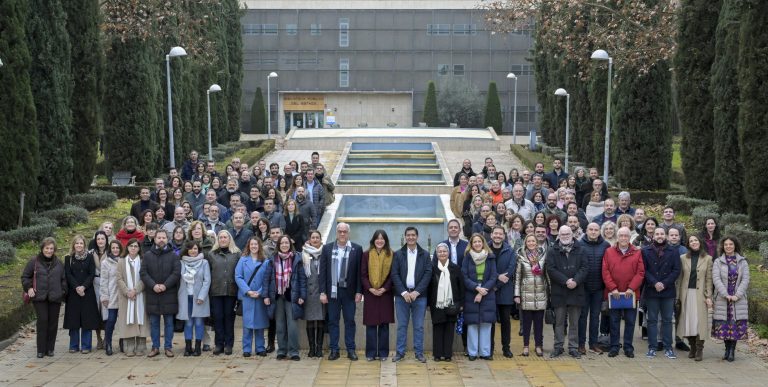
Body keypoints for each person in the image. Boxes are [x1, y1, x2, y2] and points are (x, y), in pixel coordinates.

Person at [319, 222, 363, 361]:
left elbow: (359, 273)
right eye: (340, 231)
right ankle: (334, 350)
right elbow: (323, 272)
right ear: (336, 233)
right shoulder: (327, 249)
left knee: (350, 321)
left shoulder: (357, 249)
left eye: (345, 231)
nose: (342, 234)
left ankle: (351, 350)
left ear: (348, 233)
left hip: (349, 292)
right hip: (332, 291)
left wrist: (359, 291)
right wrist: (322, 292)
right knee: (333, 321)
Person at [602, 227, 645, 358]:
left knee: (630, 321)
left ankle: (628, 347)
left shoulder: (637, 252)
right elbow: (605, 271)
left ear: (629, 237)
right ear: (617, 237)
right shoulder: (609, 252)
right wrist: (612, 288)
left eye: (626, 236)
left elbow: (640, 272)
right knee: (614, 321)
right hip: (614, 294)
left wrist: (631, 288)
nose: (624, 238)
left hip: (630, 294)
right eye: (621, 236)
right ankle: (614, 346)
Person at [391, 227, 432, 363]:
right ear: (405, 237)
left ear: (417, 237)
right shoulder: (398, 254)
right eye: (408, 235)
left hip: (419, 296)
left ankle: (419, 353)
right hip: (401, 296)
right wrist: (403, 292)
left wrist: (416, 292)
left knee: (419, 326)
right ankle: (400, 353)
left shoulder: (425, 255)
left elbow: (427, 274)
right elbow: (394, 274)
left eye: (413, 235)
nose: (411, 237)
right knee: (402, 325)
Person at [546, 226, 588, 358]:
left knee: (574, 323)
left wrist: (575, 281)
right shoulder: (553, 250)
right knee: (559, 322)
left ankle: (573, 347)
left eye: (567, 233)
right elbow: (551, 269)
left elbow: (585, 268)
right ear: (558, 235)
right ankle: (558, 347)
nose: (565, 236)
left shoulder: (580, 249)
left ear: (572, 234)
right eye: (562, 234)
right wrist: (566, 281)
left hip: (577, 290)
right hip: (559, 291)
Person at [22, 238, 67, 358]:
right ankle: (41, 350)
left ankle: (50, 349)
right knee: (43, 321)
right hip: (39, 297)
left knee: (53, 323)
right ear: (42, 248)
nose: (49, 251)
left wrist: (62, 291)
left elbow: (64, 279)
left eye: (51, 248)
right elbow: (25, 277)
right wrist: (29, 288)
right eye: (47, 248)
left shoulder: (58, 262)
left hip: (55, 297)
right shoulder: (34, 262)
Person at [140, 229, 181, 357]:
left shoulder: (174, 255)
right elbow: (143, 273)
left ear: (167, 239)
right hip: (153, 294)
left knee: (169, 323)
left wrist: (165, 285)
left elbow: (176, 273)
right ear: (155, 239)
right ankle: (155, 347)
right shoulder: (147, 255)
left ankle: (168, 347)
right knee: (154, 323)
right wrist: (153, 285)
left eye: (164, 237)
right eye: (159, 237)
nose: (161, 239)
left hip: (169, 293)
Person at [641, 228, 681, 359]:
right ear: (653, 236)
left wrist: (664, 283)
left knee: (667, 320)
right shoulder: (645, 251)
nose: (659, 236)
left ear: (666, 236)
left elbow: (676, 270)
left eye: (662, 234)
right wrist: (654, 283)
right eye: (657, 234)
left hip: (667, 290)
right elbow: (643, 270)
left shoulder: (673, 251)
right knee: (651, 319)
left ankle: (668, 347)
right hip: (652, 290)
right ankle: (652, 347)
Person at [269, 234, 307, 361]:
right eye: (282, 243)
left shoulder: (297, 258)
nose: (284, 245)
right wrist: (266, 295)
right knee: (279, 325)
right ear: (278, 245)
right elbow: (267, 278)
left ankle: (294, 351)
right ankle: (282, 350)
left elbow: (302, 279)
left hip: (292, 296)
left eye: (286, 243)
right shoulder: (272, 259)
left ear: (290, 245)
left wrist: (302, 295)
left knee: (292, 326)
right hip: (278, 296)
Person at [712, 236, 750, 362]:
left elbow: (745, 279)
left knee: (734, 325)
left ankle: (732, 351)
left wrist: (737, 295)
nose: (728, 246)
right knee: (724, 326)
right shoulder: (718, 261)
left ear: (735, 246)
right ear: (722, 246)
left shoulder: (743, 262)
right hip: (723, 299)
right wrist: (725, 294)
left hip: (737, 299)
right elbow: (716, 279)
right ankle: (726, 349)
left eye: (731, 244)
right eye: (726, 244)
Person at [676, 235, 713, 362]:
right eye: (691, 241)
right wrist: (678, 296)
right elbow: (680, 279)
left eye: (696, 240)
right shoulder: (683, 258)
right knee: (688, 322)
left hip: (700, 295)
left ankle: (699, 349)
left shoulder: (708, 259)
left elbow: (709, 279)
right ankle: (692, 347)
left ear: (700, 242)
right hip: (686, 294)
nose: (693, 242)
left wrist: (708, 296)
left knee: (699, 322)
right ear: (688, 244)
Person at [360, 230, 395, 361]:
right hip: (370, 294)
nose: (379, 241)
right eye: (377, 238)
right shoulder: (366, 255)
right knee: (371, 325)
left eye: (382, 239)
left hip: (385, 294)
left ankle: (383, 353)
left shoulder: (392, 255)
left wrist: (384, 288)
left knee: (384, 325)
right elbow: (363, 275)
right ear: (373, 240)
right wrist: (370, 288)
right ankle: (370, 353)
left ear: (385, 241)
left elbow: (393, 275)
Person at [236, 237, 274, 357]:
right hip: (247, 296)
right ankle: (246, 348)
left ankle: (260, 347)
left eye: (256, 244)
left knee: (260, 323)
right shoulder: (242, 260)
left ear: (259, 246)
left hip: (260, 296)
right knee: (247, 324)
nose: (253, 246)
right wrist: (247, 291)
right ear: (248, 246)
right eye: (251, 244)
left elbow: (267, 278)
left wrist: (260, 291)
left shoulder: (265, 261)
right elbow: (238, 276)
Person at [462, 233, 498, 361]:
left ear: (483, 243)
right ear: (471, 244)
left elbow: (494, 276)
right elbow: (464, 276)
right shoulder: (467, 258)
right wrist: (476, 288)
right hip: (471, 293)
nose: (477, 244)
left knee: (486, 324)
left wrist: (482, 291)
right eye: (474, 242)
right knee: (472, 325)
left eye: (479, 241)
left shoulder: (490, 257)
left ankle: (485, 352)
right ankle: (472, 352)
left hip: (487, 294)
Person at [63, 235, 101, 354]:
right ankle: (73, 345)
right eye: (77, 243)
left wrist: (84, 286)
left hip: (87, 292)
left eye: (81, 243)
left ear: (84, 245)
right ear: (73, 245)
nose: (79, 245)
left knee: (87, 319)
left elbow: (91, 274)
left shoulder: (90, 257)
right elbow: (68, 275)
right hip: (73, 293)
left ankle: (86, 345)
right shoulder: (68, 258)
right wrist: (77, 287)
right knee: (73, 319)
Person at [207, 230, 241, 355]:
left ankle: (229, 344)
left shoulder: (237, 254)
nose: (222, 239)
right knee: (218, 318)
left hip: (231, 291)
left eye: (225, 237)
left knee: (229, 318)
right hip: (216, 291)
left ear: (229, 239)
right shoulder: (212, 254)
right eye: (220, 237)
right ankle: (218, 344)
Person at [578, 222, 610, 355]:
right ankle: (581, 344)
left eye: (596, 230)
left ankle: (593, 344)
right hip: (583, 287)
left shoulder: (606, 245)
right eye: (590, 229)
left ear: (599, 231)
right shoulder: (579, 244)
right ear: (586, 230)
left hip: (598, 288)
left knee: (595, 317)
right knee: (582, 317)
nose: (593, 232)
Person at [429, 243, 465, 361]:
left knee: (449, 329)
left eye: (444, 251)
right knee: (438, 329)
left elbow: (461, 287)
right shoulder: (432, 268)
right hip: (437, 304)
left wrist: (461, 304)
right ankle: (438, 354)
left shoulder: (455, 268)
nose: (442, 253)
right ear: (437, 254)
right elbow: (428, 287)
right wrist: (429, 304)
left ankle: (448, 354)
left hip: (452, 304)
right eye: (440, 252)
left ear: (448, 253)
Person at [514, 235, 547, 357]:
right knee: (526, 323)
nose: (531, 243)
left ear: (537, 242)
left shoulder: (543, 256)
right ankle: (526, 346)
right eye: (529, 241)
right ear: (525, 243)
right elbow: (517, 277)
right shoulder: (521, 257)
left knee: (539, 323)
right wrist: (516, 294)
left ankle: (538, 346)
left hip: (540, 293)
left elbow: (547, 275)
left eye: (533, 241)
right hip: (525, 294)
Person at [177, 241, 211, 357]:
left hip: (199, 298)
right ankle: (187, 347)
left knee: (198, 323)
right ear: (187, 250)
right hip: (185, 297)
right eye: (190, 249)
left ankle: (197, 347)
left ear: (199, 250)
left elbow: (207, 281)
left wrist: (202, 296)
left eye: (195, 248)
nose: (193, 251)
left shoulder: (204, 263)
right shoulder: (181, 263)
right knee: (188, 323)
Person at [116, 239, 149, 357]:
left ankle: (141, 346)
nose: (133, 248)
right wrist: (127, 292)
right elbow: (119, 278)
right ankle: (129, 346)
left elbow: (145, 277)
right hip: (126, 297)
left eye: (136, 246)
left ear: (139, 248)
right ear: (127, 248)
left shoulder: (143, 261)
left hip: (140, 295)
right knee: (128, 320)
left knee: (141, 319)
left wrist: (135, 290)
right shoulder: (121, 261)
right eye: (131, 246)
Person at [487, 226, 516, 358]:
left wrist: (496, 286)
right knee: (491, 321)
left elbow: (510, 271)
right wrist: (496, 278)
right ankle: (490, 348)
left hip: (505, 291)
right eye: (495, 233)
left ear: (504, 236)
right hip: (489, 291)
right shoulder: (485, 249)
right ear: (491, 235)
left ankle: (506, 348)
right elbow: (487, 270)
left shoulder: (509, 250)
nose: (498, 236)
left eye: (500, 234)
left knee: (505, 321)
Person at [301, 230, 326, 358]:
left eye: (317, 237)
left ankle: (319, 348)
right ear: (309, 240)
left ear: (320, 239)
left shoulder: (325, 252)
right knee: (310, 321)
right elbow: (301, 275)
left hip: (321, 292)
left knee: (321, 320)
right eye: (313, 237)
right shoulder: (303, 254)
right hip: (309, 293)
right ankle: (311, 349)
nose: (315, 240)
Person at [100, 240, 122, 356]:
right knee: (111, 320)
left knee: (123, 321)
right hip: (112, 295)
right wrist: (104, 296)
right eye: (113, 248)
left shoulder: (124, 261)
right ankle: (108, 343)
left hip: (123, 296)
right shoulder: (105, 263)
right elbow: (103, 281)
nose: (115, 250)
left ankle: (122, 342)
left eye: (117, 248)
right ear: (110, 249)